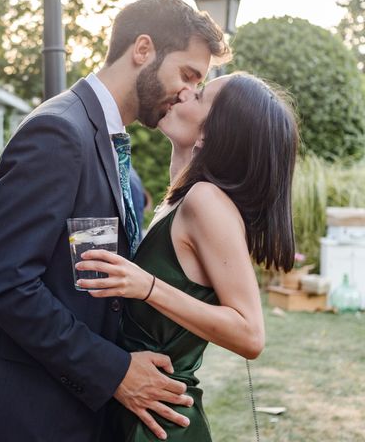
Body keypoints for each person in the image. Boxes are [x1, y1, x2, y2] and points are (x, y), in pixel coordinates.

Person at [0, 0, 231, 442]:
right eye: (188, 74)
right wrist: (115, 372)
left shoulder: (117, 151)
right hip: (28, 414)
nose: (188, 93)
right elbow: (7, 284)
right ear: (143, 49)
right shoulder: (59, 130)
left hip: (75, 409)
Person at [76, 73, 299, 441]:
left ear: (212, 133)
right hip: (138, 407)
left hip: (160, 423)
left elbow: (251, 335)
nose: (182, 93)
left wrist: (147, 286)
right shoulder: (185, 194)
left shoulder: (206, 201)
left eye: (198, 95)